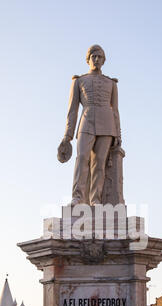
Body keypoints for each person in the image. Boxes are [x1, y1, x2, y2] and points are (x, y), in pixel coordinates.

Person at [60, 44, 122, 206]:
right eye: (93, 56)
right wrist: (68, 135)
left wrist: (119, 135)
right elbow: (72, 110)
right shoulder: (79, 81)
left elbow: (115, 110)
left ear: (104, 60)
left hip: (107, 125)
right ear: (88, 59)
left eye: (99, 57)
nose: (96, 59)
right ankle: (78, 197)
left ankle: (95, 200)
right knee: (81, 158)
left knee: (99, 163)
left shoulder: (111, 83)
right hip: (86, 121)